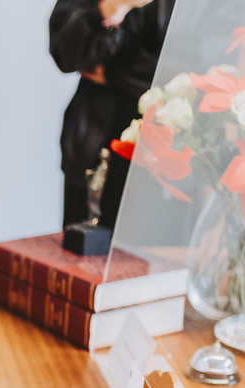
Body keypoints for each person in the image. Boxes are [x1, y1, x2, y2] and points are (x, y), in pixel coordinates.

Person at [50, 0, 175, 228]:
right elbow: (66, 52)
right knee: (83, 255)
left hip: (171, 160)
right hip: (95, 146)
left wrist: (111, 71)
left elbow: (187, 71)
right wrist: (113, 7)